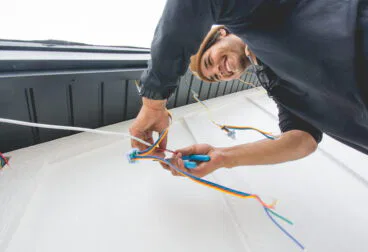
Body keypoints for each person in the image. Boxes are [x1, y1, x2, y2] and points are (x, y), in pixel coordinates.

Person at [130, 0, 368, 177]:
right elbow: (303, 140)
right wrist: (223, 157)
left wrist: (153, 102)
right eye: (214, 78)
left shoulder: (254, 14)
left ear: (222, 34)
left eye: (209, 61)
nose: (219, 72)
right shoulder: (279, 87)